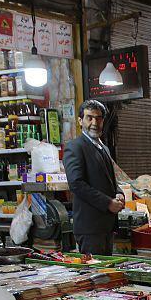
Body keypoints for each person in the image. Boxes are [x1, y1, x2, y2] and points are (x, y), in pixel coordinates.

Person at [63, 99, 123, 255]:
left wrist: (118, 194)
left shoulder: (104, 148)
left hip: (106, 227)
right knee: (95, 276)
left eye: (99, 118)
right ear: (80, 120)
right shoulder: (75, 147)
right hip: (89, 228)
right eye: (89, 117)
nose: (94, 122)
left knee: (107, 274)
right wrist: (107, 202)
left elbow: (110, 181)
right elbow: (76, 184)